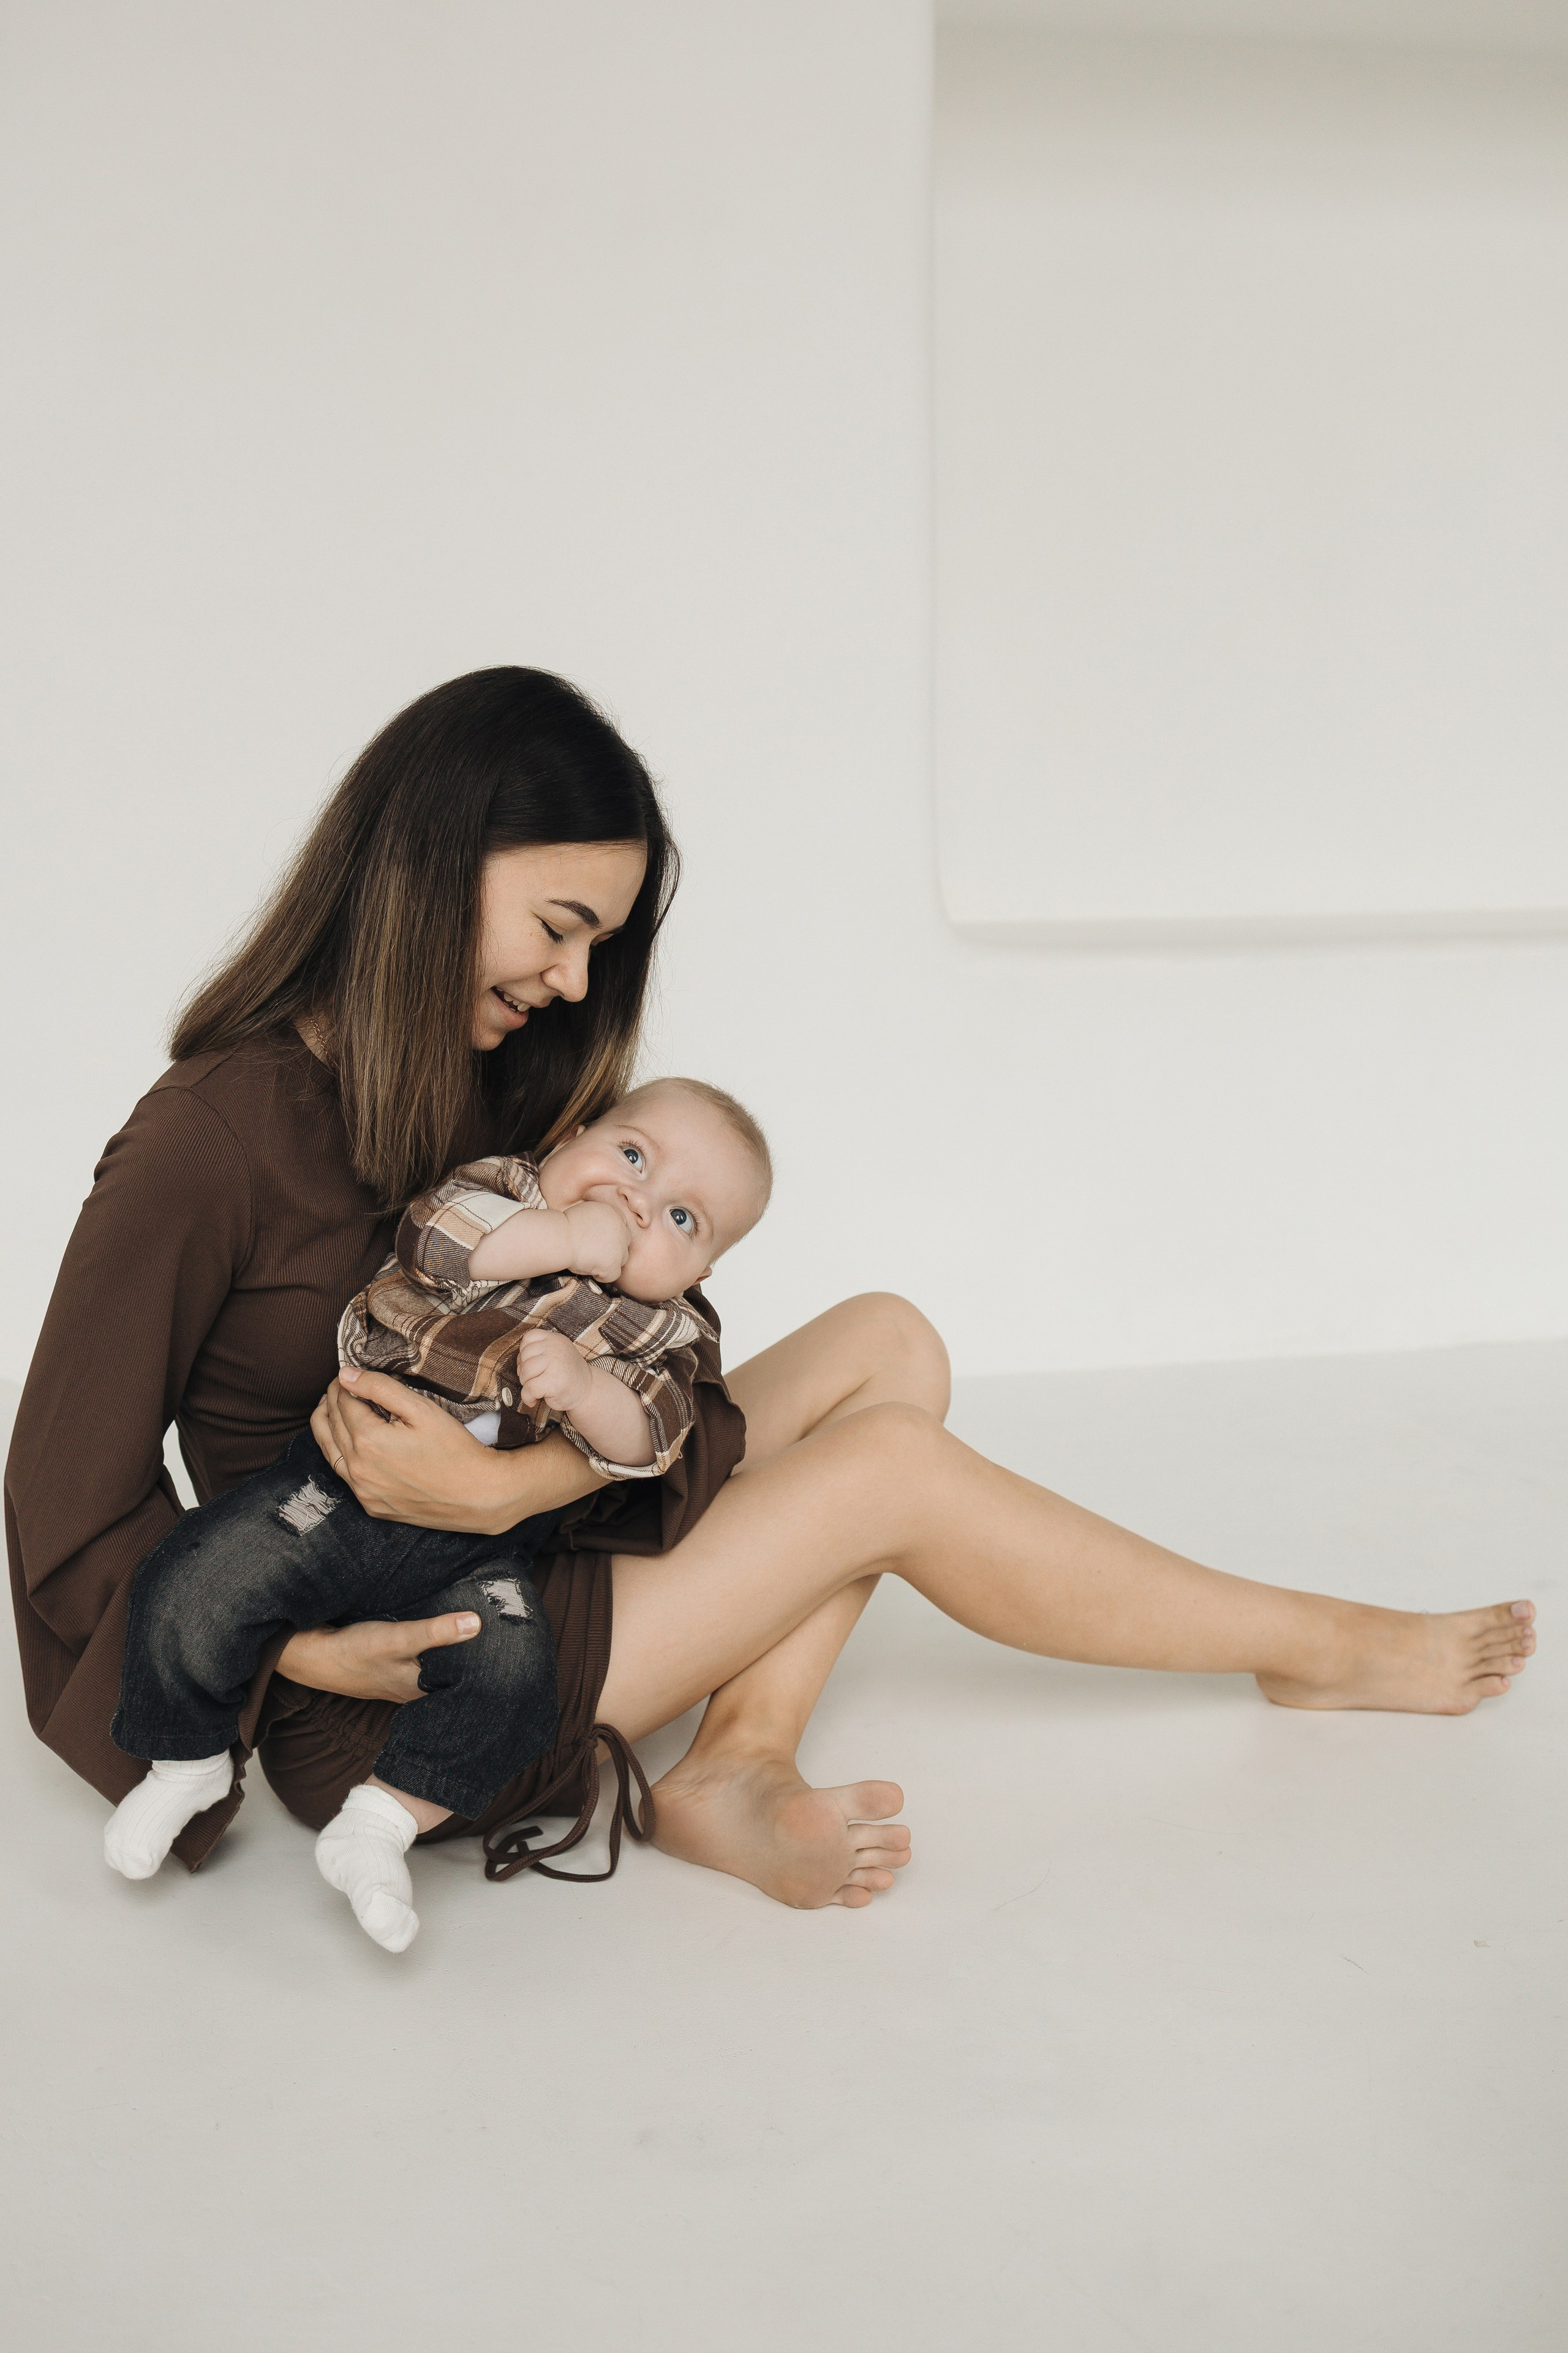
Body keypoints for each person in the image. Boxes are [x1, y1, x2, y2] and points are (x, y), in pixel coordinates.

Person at [7, 667, 1537, 1927]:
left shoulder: (483, 1079)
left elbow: (653, 1328)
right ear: (432, 858)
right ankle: (1309, 1642)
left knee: (892, 1342)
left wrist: (523, 1482)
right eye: (559, 927)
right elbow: (61, 1501)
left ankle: (733, 1761)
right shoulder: (207, 1139)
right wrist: (286, 1652)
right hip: (409, 1665)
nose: (565, 985)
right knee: (893, 1471)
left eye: (593, 950)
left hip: (523, 1531)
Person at [101, 1077, 772, 1951]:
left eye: (683, 1219)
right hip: (341, 1492)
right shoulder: (499, 1195)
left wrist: (582, 1388)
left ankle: (382, 1821)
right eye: (632, 1155)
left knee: (515, 1673)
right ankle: (185, 1758)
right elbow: (439, 1246)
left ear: (702, 1274)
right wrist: (572, 1235)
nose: (639, 1204)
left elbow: (652, 1436)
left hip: (479, 1555)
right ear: (569, 1134)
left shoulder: (658, 1330)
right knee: (205, 1569)